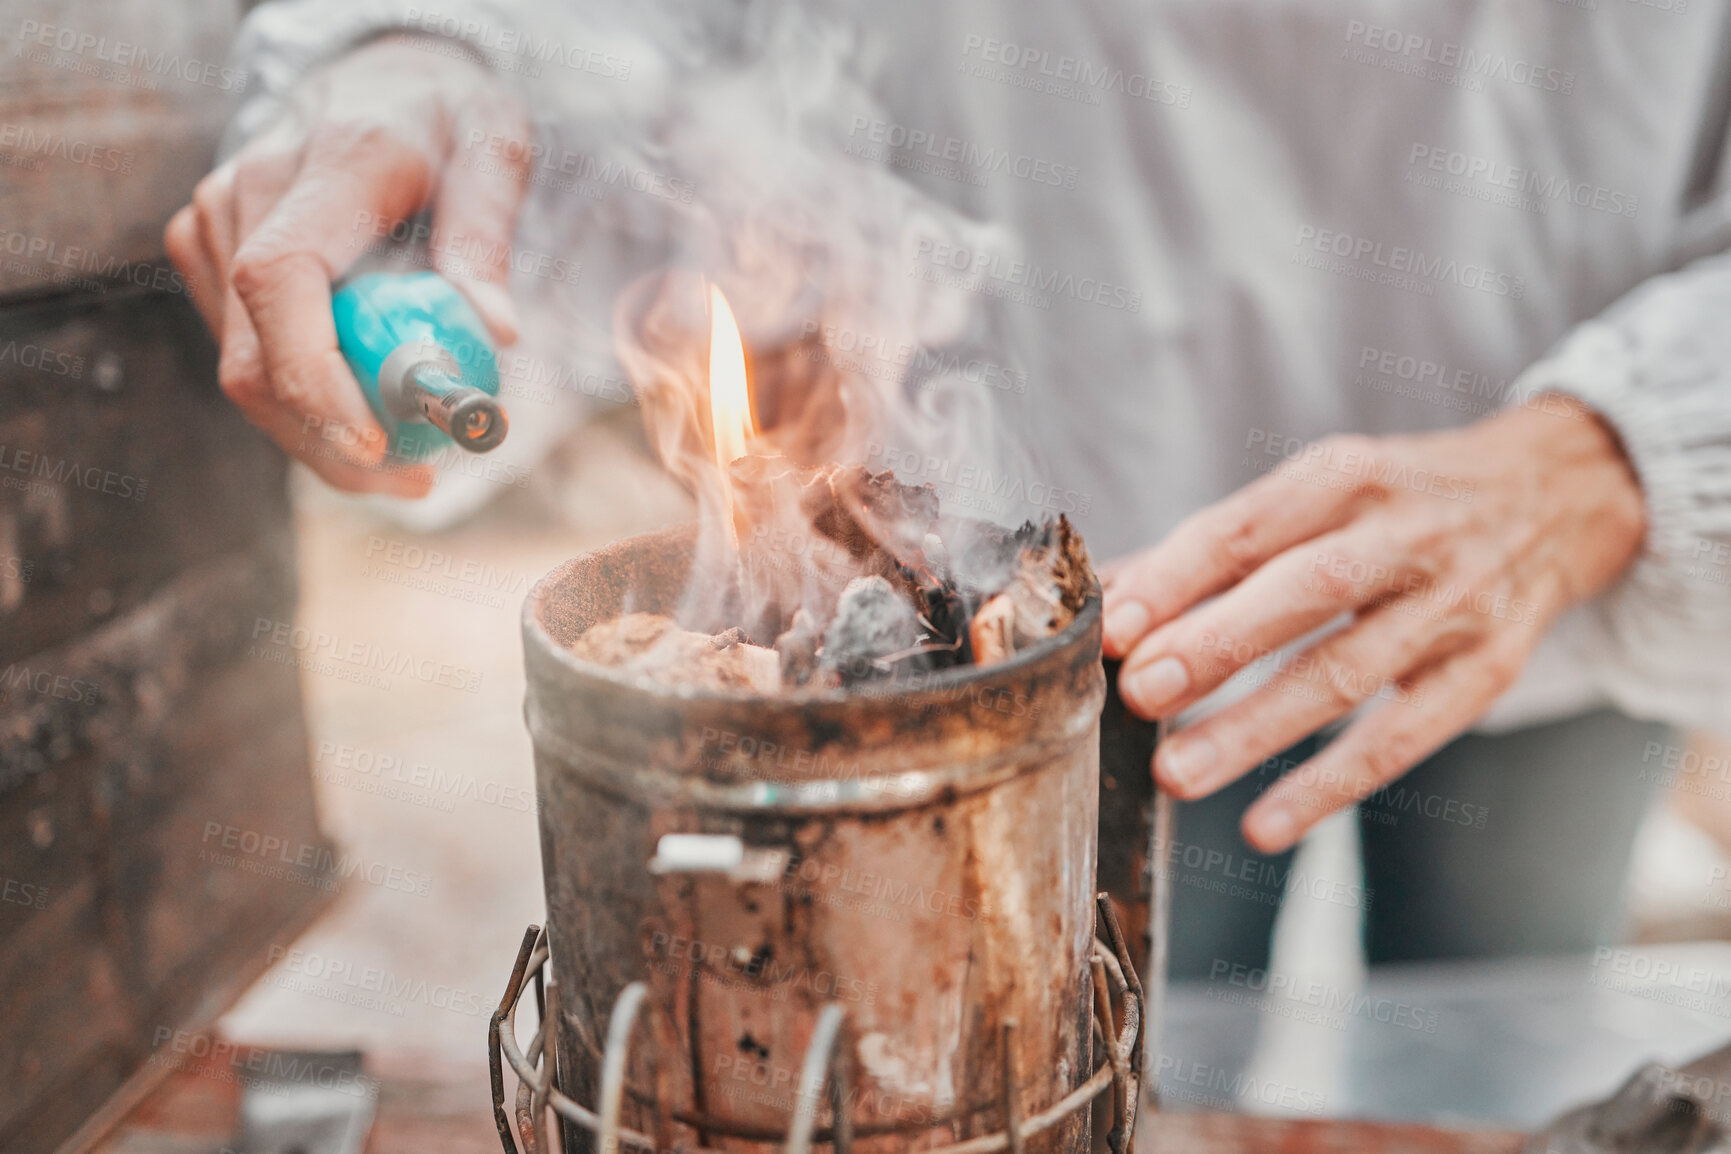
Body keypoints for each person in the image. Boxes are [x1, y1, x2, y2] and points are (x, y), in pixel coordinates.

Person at [167, 0, 1731, 976]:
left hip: (1552, 548)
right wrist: (416, 45)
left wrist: (1617, 453)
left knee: (1505, 1032)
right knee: (1130, 1035)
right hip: (1090, 600)